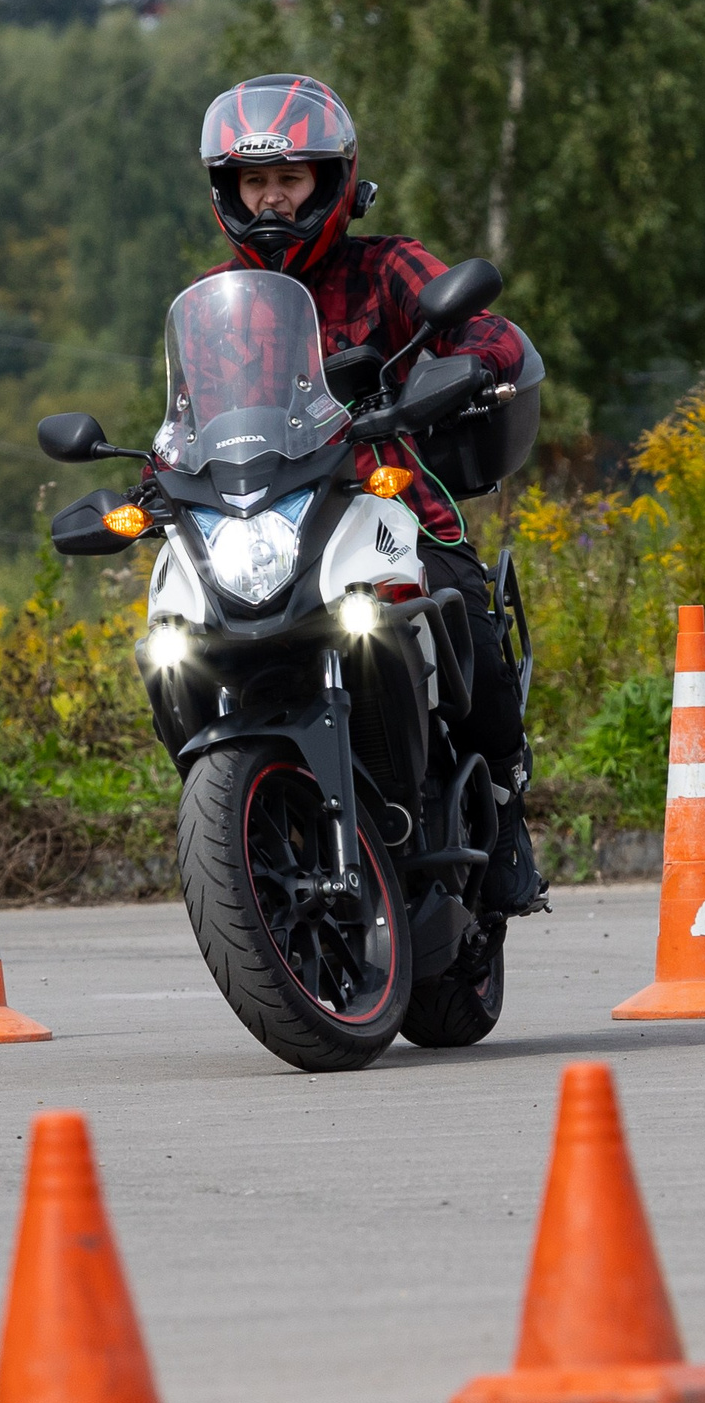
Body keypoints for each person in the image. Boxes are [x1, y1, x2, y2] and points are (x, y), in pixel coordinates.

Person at [197, 74, 543, 918]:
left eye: (290, 179)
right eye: (254, 182)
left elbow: (487, 331)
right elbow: (187, 418)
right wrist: (146, 481)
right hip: (272, 520)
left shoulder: (387, 265)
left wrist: (455, 372)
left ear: (332, 182)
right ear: (229, 192)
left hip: (386, 504)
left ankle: (504, 807)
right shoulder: (219, 305)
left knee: (462, 602)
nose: (272, 198)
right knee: (182, 636)